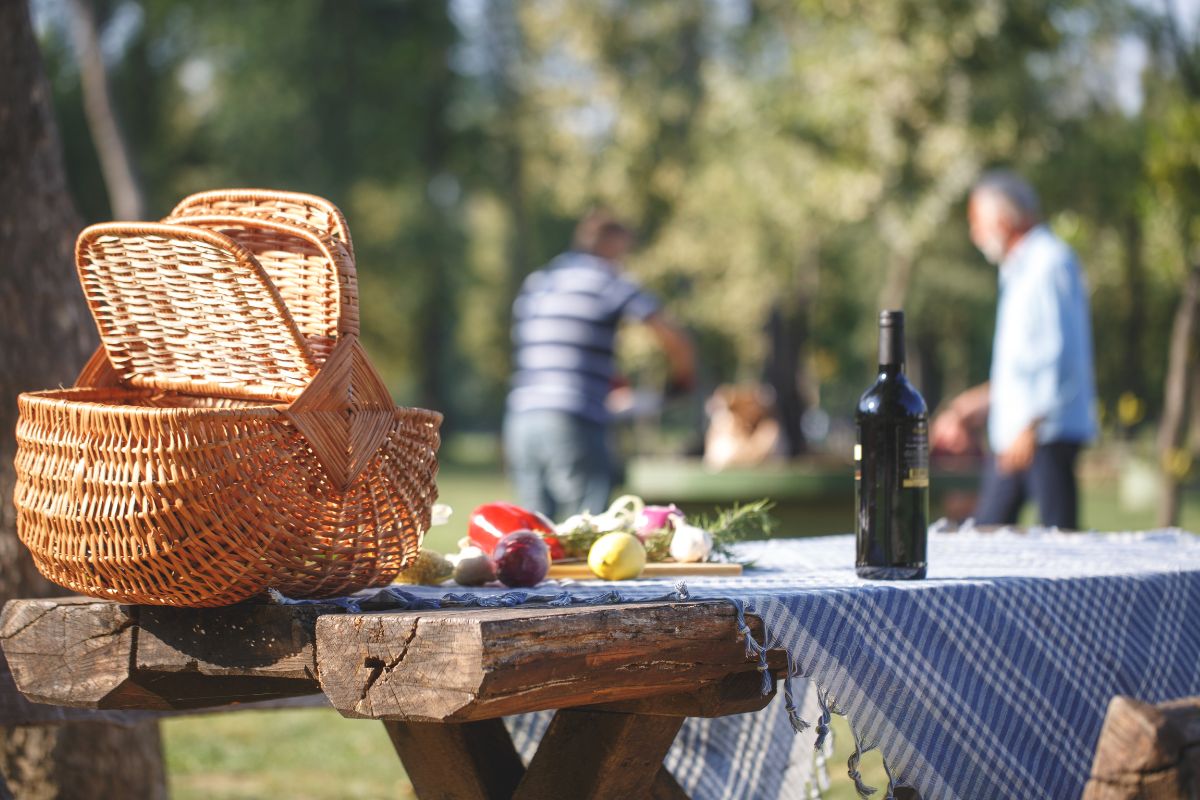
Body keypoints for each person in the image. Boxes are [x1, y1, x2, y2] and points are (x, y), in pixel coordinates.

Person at [503, 210, 696, 520]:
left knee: (534, 538)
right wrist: (681, 381)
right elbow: (673, 337)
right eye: (624, 249)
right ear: (610, 243)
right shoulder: (607, 281)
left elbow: (556, 346)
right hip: (572, 419)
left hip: (522, 419)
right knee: (588, 532)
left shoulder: (539, 282)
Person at [931, 170, 1097, 529]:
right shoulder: (1020, 269)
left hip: (1042, 436)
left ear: (1004, 220)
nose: (975, 233)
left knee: (1059, 543)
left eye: (977, 221)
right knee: (988, 532)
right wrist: (967, 408)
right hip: (1017, 436)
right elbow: (1024, 368)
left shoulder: (1049, 263)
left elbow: (1061, 355)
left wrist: (1031, 425)